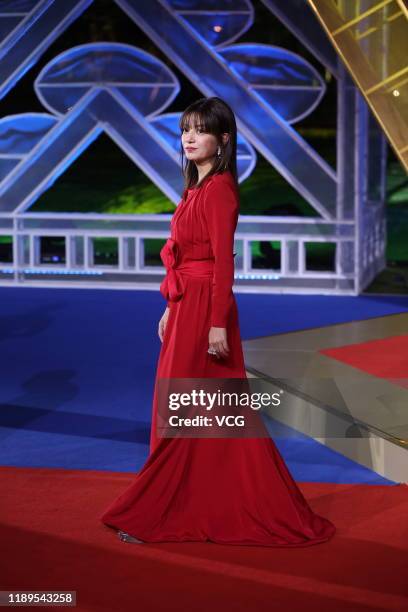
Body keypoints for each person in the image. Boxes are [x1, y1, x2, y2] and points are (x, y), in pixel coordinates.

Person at [100, 96, 336, 546]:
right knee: (195, 411)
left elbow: (222, 265)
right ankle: (182, 503)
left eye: (200, 130)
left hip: (207, 310)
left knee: (193, 411)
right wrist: (171, 306)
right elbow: (188, 256)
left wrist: (215, 323)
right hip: (187, 306)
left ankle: (165, 511)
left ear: (222, 139)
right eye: (185, 128)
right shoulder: (196, 187)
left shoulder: (221, 188)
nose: (189, 137)